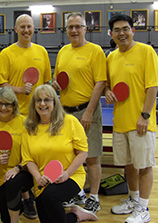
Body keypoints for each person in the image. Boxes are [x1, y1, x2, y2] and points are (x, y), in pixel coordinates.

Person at [105, 14, 158, 223]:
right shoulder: (111, 57)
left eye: (125, 29)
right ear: (111, 34)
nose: (122, 33)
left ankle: (144, 209)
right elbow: (108, 84)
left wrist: (145, 116)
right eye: (117, 30)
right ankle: (133, 198)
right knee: (128, 165)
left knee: (145, 165)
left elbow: (153, 86)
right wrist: (108, 91)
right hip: (120, 122)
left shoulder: (146, 52)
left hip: (141, 123)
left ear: (133, 30)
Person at [51, 11, 106, 218]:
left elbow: (100, 83)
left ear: (85, 28)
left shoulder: (95, 51)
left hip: (86, 111)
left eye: (78, 26)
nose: (74, 30)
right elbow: (58, 80)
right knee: (71, 155)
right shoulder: (63, 51)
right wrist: (54, 85)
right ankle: (78, 192)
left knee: (91, 156)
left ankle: (94, 198)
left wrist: (89, 112)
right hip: (65, 113)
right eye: (70, 27)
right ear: (66, 30)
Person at [21, 84, 97, 222]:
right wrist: (38, 177)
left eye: (47, 100)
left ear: (54, 102)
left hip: (71, 175)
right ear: (34, 104)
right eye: (38, 100)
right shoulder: (29, 127)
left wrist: (67, 173)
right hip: (43, 179)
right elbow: (28, 159)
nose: (42, 104)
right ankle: (77, 215)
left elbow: (83, 152)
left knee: (51, 196)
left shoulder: (70, 122)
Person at [0, 86, 36, 223]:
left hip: (23, 172)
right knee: (5, 218)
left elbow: (32, 153)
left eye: (7, 104)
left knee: (13, 183)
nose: (3, 108)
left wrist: (17, 167)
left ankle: (26, 198)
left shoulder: (24, 123)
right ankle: (20, 205)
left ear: (14, 105)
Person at [0, 14, 51, 116]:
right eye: (22, 27)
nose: (26, 30)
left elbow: (46, 83)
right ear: (16, 29)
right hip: (15, 113)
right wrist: (20, 90)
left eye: (29, 26)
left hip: (38, 112)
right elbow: (1, 85)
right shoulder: (6, 54)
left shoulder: (42, 51)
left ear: (33, 28)